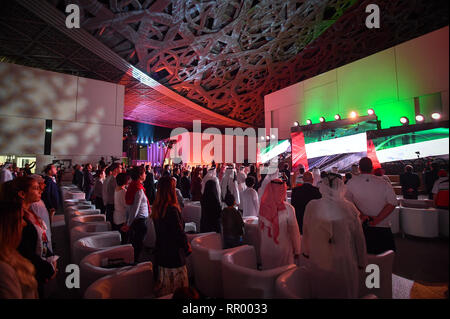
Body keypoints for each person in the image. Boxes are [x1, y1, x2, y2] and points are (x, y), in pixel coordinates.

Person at [300, 173, 367, 299]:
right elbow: (359, 237)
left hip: (319, 258)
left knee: (321, 291)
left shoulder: (312, 205)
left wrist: (306, 251)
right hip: (344, 260)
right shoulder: (349, 207)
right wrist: (361, 260)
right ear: (341, 187)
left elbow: (306, 231)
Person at [10, 177, 57, 298]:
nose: (40, 190)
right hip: (31, 272)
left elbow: (42, 237)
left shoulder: (30, 211)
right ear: (22, 194)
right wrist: (46, 268)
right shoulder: (19, 220)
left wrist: (50, 257)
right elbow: (25, 252)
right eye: (36, 188)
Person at [345, 157, 398, 254]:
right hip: (382, 227)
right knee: (383, 261)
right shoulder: (384, 183)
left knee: (363, 259)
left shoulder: (351, 183)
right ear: (372, 168)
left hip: (362, 226)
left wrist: (361, 215)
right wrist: (377, 220)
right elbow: (392, 203)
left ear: (359, 168)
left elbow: (347, 202)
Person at [152, 176, 191, 297]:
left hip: (162, 253)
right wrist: (186, 247)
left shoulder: (157, 208)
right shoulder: (172, 209)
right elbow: (178, 232)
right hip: (174, 255)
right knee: (179, 291)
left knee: (165, 289)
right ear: (171, 190)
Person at [259, 179, 301, 270]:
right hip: (283, 250)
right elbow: (294, 231)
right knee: (283, 278)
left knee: (268, 277)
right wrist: (297, 250)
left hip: (266, 249)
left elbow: (260, 229)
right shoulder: (288, 208)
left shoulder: (263, 208)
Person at [0, 200, 38, 298]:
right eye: (20, 219)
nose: (24, 224)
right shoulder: (4, 271)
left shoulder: (11, 253)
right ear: (7, 226)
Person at [122, 166, 149, 262]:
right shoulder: (138, 189)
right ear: (140, 175)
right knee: (138, 245)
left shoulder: (132, 186)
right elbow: (135, 209)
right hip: (139, 221)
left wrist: (128, 221)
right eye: (144, 173)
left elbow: (129, 207)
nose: (145, 175)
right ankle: (135, 265)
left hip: (135, 221)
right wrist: (128, 224)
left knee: (135, 243)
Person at [29, 175, 53, 254]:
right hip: (43, 237)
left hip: (45, 234)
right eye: (36, 188)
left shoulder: (38, 201)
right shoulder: (34, 204)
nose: (44, 185)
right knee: (44, 254)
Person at [114, 173, 130, 244]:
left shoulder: (117, 189)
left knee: (120, 237)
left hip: (117, 216)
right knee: (124, 239)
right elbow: (126, 205)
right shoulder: (123, 191)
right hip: (122, 218)